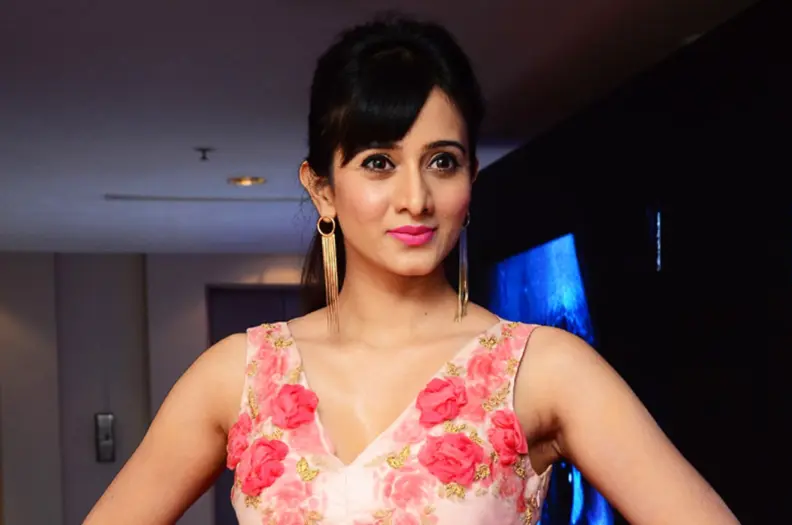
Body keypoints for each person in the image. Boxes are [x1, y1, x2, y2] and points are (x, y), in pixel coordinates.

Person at [85, 15, 740, 525]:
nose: (415, 198)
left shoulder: (543, 370)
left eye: (442, 162)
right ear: (322, 189)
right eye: (379, 162)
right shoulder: (239, 377)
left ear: (471, 179)